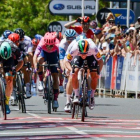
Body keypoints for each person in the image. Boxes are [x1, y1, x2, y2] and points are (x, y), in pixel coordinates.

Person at [64, 39, 103, 110]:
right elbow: (66, 61)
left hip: (91, 57)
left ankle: (91, 97)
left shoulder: (93, 48)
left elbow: (100, 61)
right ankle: (76, 95)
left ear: (88, 49)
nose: (84, 55)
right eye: (82, 53)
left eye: (85, 53)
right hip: (77, 57)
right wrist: (70, 70)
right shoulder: (74, 49)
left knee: (94, 75)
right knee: (74, 73)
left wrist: (99, 72)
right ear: (79, 49)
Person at [33, 32, 60, 108]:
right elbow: (35, 56)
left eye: (51, 46)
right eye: (47, 45)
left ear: (54, 43)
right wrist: (36, 67)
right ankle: (41, 80)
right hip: (44, 54)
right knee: (39, 60)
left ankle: (55, 99)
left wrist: (60, 67)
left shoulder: (57, 44)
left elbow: (61, 57)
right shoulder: (41, 43)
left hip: (53, 55)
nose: (49, 47)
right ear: (45, 43)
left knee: (55, 76)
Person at [0, 40, 24, 114]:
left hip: (11, 60)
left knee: (9, 80)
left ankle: (6, 103)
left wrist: (15, 71)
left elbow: (21, 62)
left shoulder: (16, 49)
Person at [14, 28, 33, 98]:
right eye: (19, 39)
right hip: (15, 53)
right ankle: (14, 90)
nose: (20, 40)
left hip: (23, 52)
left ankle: (28, 89)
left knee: (25, 68)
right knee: (13, 72)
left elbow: (29, 52)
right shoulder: (12, 38)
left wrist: (29, 63)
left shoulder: (27, 40)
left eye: (21, 39)